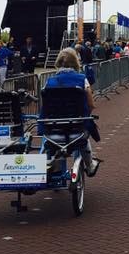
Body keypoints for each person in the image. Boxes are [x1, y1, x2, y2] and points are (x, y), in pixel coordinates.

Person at [41, 47, 101, 176]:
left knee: (48, 142)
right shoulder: (81, 79)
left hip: (53, 132)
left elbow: (45, 106)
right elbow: (90, 104)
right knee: (84, 134)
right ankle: (89, 165)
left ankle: (50, 163)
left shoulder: (49, 82)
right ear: (75, 62)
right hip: (76, 130)